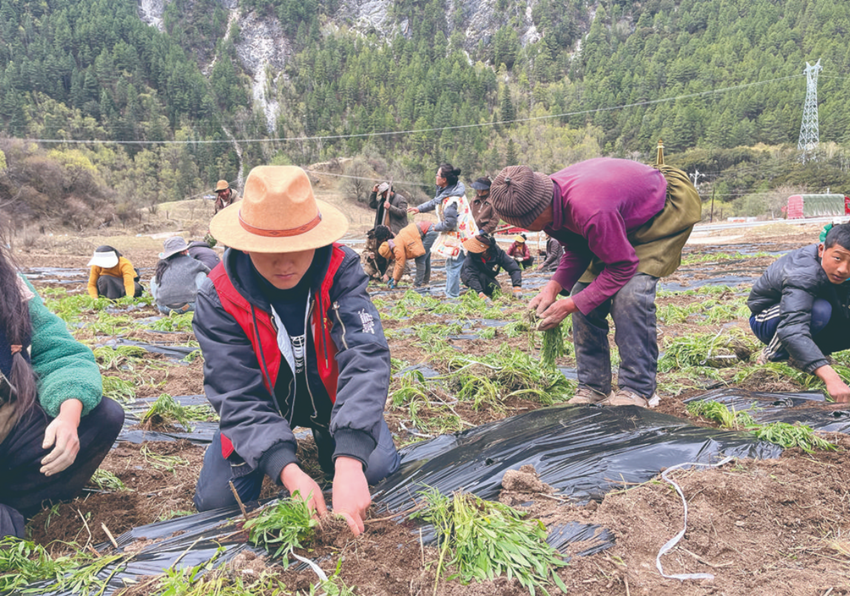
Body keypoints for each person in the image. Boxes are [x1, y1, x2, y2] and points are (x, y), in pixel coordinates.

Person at [192, 165, 400, 536]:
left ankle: (330, 438)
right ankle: (278, 448)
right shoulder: (220, 295)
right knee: (217, 502)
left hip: (332, 399)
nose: (285, 263)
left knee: (378, 468)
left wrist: (350, 458)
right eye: (270, 251)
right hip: (265, 405)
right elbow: (235, 392)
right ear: (246, 244)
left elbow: (365, 355)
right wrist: (287, 471)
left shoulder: (340, 270)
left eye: (297, 247)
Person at [490, 158, 701, 408]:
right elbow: (577, 247)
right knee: (582, 294)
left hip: (658, 212)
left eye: (520, 224)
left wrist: (569, 305)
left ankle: (639, 389)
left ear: (533, 215)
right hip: (614, 217)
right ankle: (594, 387)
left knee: (630, 295)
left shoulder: (590, 209)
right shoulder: (548, 205)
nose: (520, 228)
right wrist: (553, 288)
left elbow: (623, 266)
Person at [0, 242, 124, 539]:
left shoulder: (10, 284)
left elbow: (61, 354)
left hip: (6, 425)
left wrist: (69, 416)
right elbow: (98, 283)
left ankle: (18, 508)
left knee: (103, 416)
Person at [747, 223, 850, 404]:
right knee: (819, 310)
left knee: (823, 310)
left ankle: (809, 354)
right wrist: (831, 378)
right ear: (821, 250)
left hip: (808, 315)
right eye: (837, 258)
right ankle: (772, 355)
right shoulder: (803, 271)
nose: (843, 269)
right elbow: (792, 326)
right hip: (768, 318)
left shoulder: (842, 272)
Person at [408, 164, 477, 298]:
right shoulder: (450, 191)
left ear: (444, 179)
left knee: (453, 266)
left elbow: (449, 223)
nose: (436, 177)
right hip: (462, 235)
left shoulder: (452, 199)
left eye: (437, 175)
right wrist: (419, 208)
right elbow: (435, 202)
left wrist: (436, 227)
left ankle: (452, 296)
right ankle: (463, 293)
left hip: (461, 237)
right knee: (458, 265)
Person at [150, 237, 211, 314]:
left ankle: (160, 308)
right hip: (190, 306)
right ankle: (203, 305)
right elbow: (210, 273)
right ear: (183, 251)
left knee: (154, 279)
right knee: (201, 274)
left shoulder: (163, 265)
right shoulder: (194, 263)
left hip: (165, 308)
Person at [460, 235, 522, 300]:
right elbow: (470, 274)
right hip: (471, 276)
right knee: (480, 279)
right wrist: (480, 293)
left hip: (488, 275)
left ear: (486, 250)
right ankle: (477, 291)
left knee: (496, 289)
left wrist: (517, 287)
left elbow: (514, 268)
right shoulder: (472, 255)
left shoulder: (498, 253)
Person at [377, 222, 431, 289]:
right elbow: (398, 263)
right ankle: (425, 283)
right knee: (426, 258)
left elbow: (400, 264)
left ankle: (417, 285)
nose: (391, 257)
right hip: (426, 229)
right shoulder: (394, 242)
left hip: (428, 230)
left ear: (389, 252)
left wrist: (395, 280)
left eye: (389, 256)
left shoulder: (397, 247)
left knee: (420, 259)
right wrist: (394, 277)